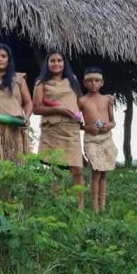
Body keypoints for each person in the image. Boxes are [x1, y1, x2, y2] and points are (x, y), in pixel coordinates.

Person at [33, 50, 85, 209]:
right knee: (57, 170)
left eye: (59, 60)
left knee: (77, 169)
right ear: (47, 64)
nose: (56, 64)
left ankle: (80, 208)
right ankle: (58, 207)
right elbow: (36, 108)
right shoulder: (41, 83)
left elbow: (80, 103)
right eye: (52, 61)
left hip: (71, 130)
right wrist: (59, 110)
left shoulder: (73, 80)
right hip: (53, 129)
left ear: (64, 63)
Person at [78, 66, 117, 212]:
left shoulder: (107, 99)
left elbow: (113, 121)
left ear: (102, 82)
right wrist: (86, 128)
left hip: (106, 138)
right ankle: (95, 207)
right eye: (90, 81)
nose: (93, 83)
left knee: (104, 172)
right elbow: (76, 122)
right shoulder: (81, 101)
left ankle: (103, 205)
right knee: (96, 171)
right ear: (84, 83)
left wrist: (109, 126)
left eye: (96, 80)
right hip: (91, 139)